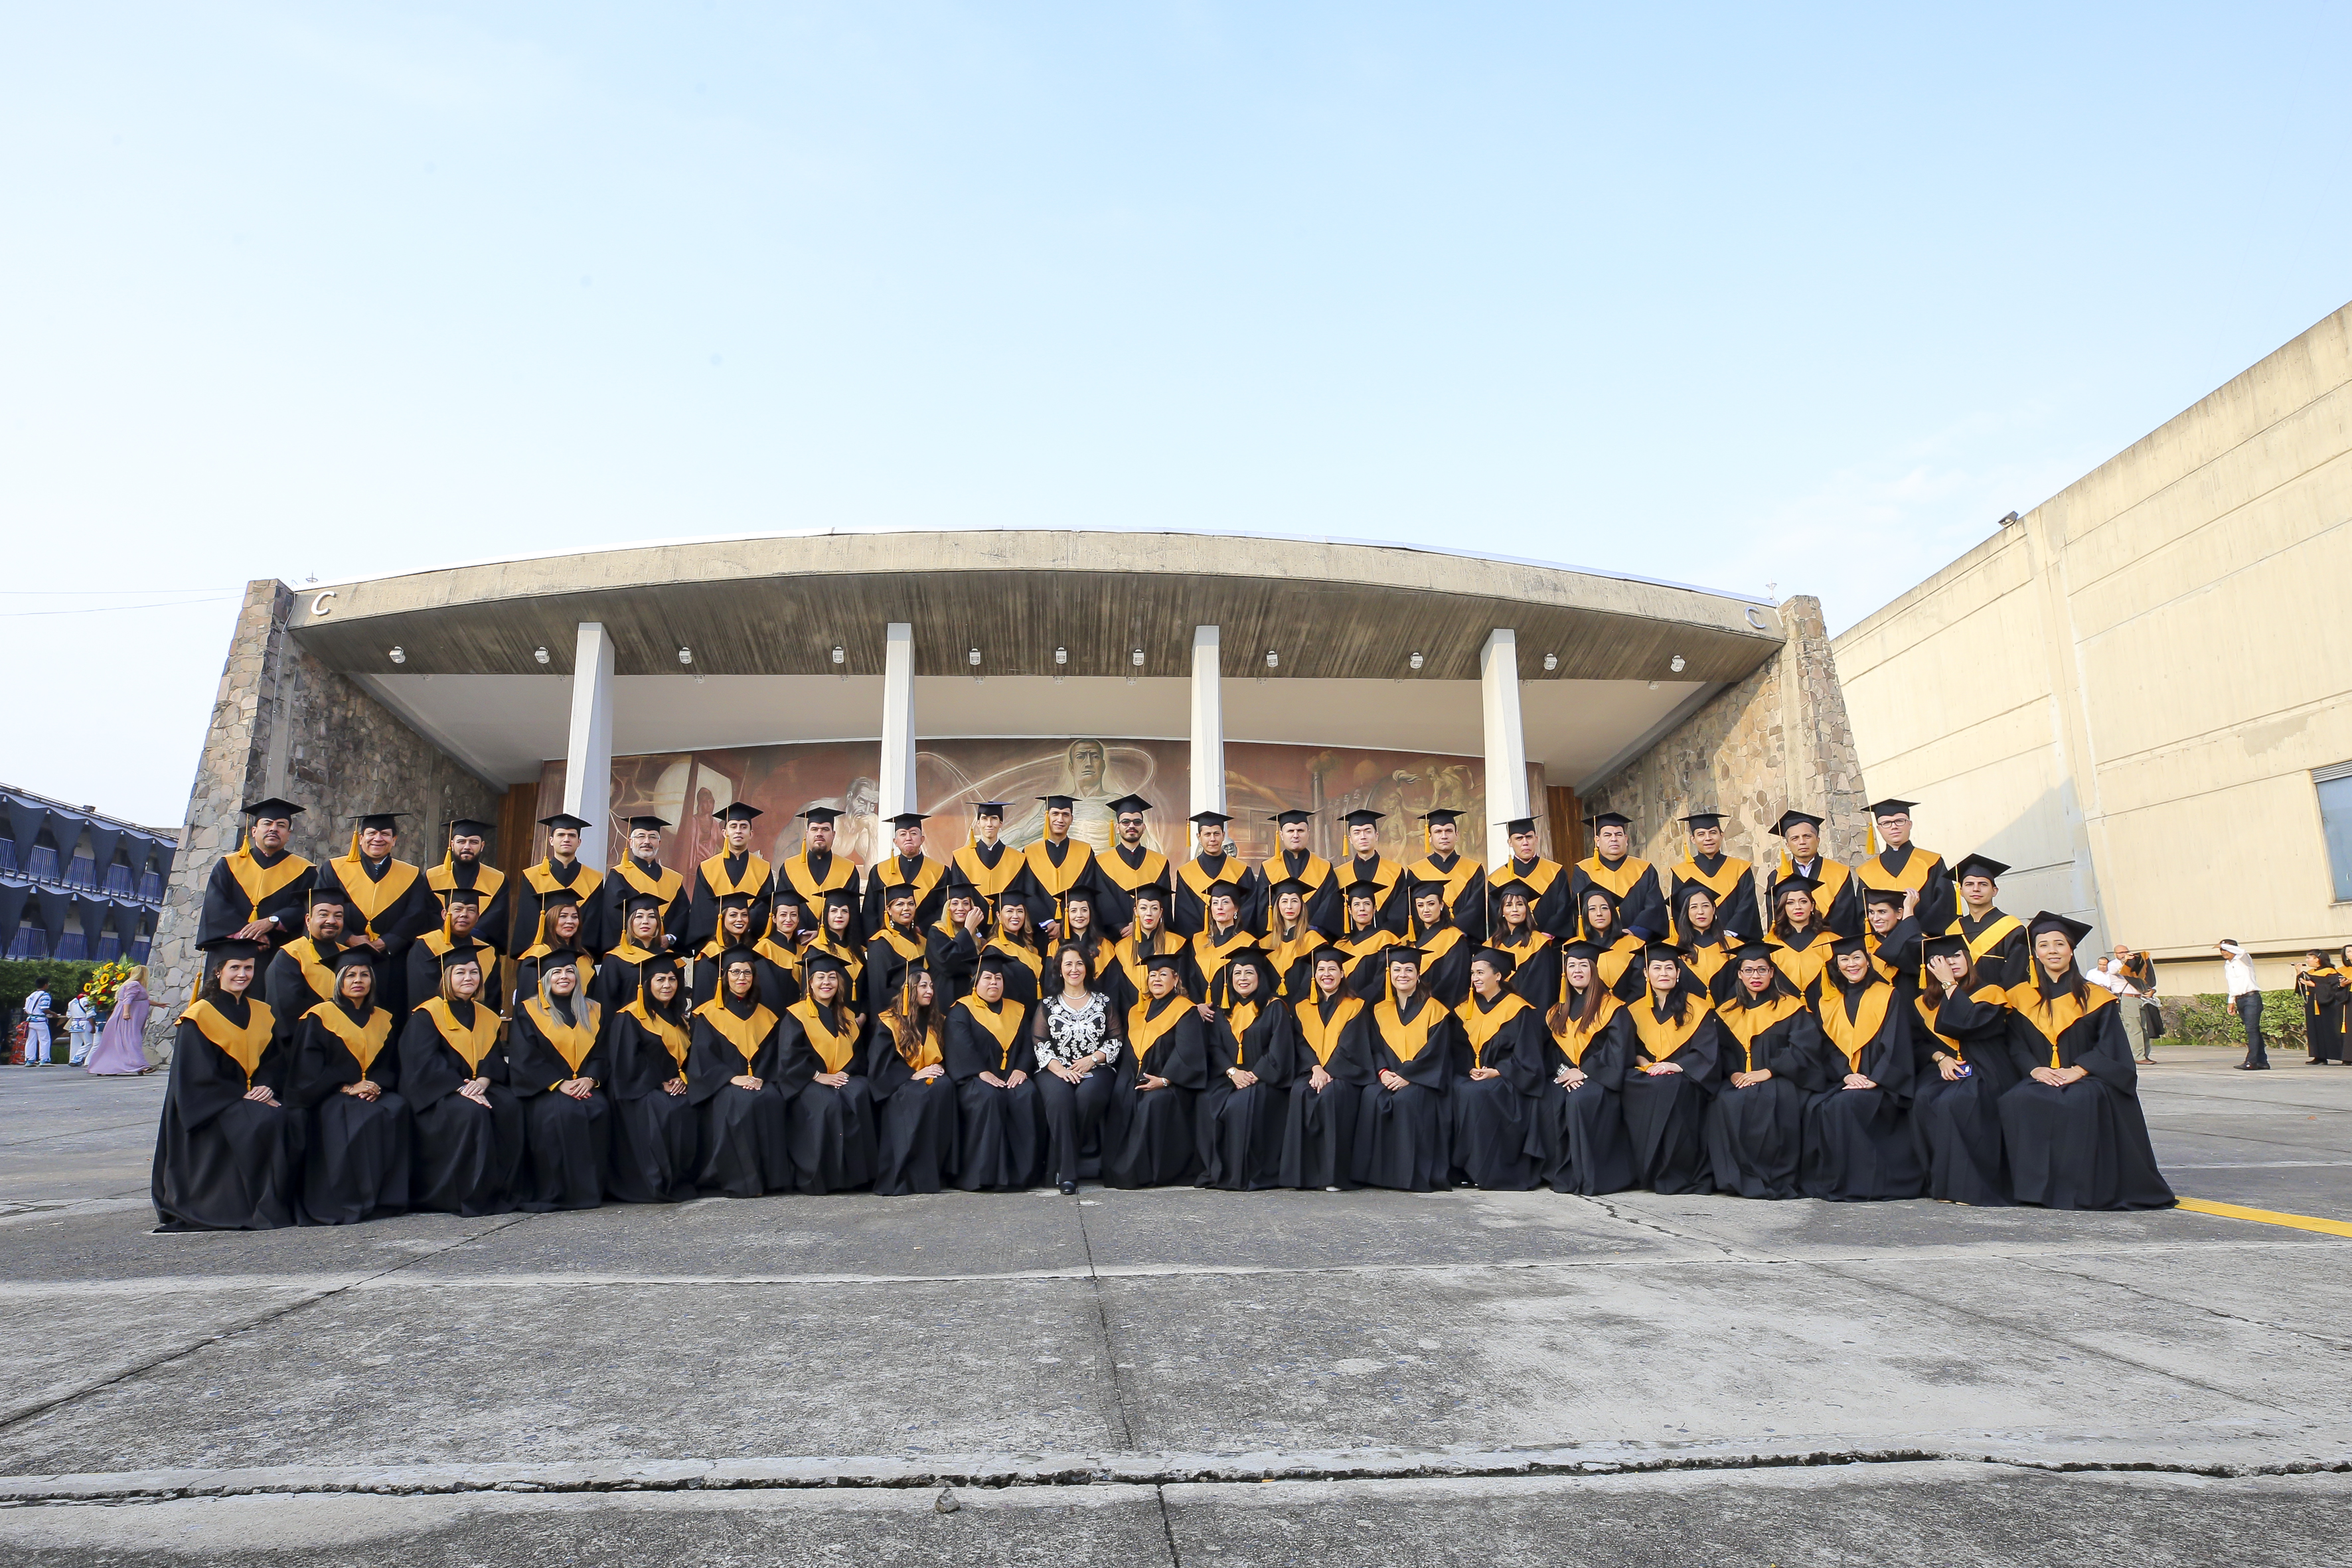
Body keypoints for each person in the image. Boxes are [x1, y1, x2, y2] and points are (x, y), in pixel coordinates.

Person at [2001, 912, 2175, 1210]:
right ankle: (2034, 1190)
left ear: (2071, 950)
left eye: (2060, 944)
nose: (2052, 950)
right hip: (2042, 1074)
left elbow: (2111, 1045)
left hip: (2090, 1076)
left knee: (2078, 1100)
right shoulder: (2019, 997)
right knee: (2018, 1098)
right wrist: (2035, 1068)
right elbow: (2014, 1043)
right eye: (2044, 945)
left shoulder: (2095, 996)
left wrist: (2079, 1069)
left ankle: (2081, 1189)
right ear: (2035, 954)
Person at [151, 937, 301, 1230]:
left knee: (291, 1116)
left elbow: (275, 1060)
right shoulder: (199, 1016)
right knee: (264, 1121)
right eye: (235, 967)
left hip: (248, 1096)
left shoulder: (262, 1012)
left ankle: (280, 1203)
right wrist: (242, 1095)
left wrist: (267, 1085)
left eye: (248, 968)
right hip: (212, 1102)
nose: (242, 974)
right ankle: (247, 1205)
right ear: (219, 970)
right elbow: (196, 1075)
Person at [289, 947, 411, 1224]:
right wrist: (346, 1087)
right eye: (351, 975)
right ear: (339, 981)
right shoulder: (319, 1016)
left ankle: (386, 1199)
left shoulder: (383, 1018)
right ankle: (348, 1200)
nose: (358, 980)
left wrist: (376, 1085)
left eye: (365, 975)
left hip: (373, 1091)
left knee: (397, 1107)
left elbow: (392, 1064)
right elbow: (308, 1069)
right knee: (357, 1115)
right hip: (330, 1093)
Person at [400, 949, 522, 1215]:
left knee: (510, 1106)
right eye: (461, 972)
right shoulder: (427, 1014)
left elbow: (494, 1056)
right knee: (473, 1113)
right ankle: (466, 1194)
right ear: (447, 977)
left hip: (478, 1085)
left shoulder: (487, 1015)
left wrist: (484, 1081)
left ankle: (502, 1190)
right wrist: (460, 1087)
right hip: (439, 1092)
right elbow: (422, 1061)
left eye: (474, 972)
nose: (469, 977)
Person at [1800, 935, 1922, 1202]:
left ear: (1868, 961)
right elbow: (1827, 1048)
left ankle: (1864, 1183)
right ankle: (1838, 1180)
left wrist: (1876, 1078)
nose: (1851, 964)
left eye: (1857, 957)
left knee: (1845, 1105)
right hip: (1846, 1079)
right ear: (1836, 965)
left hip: (1883, 1083)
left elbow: (1897, 1042)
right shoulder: (1829, 1002)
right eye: (1844, 959)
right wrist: (1846, 1075)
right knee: (1815, 1106)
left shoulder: (1887, 995)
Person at [1703, 947, 1819, 1200]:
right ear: (1740, 974)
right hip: (1741, 1079)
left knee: (1768, 1100)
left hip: (1782, 1078)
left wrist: (1769, 1071)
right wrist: (1733, 1074)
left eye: (1761, 970)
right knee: (1724, 1100)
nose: (1755, 976)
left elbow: (1804, 1048)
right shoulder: (1727, 1011)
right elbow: (1721, 1050)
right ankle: (1735, 1179)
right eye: (1748, 970)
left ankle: (1773, 1176)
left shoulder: (1791, 1007)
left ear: (1772, 972)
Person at [1911, 935, 2017, 1206]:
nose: (1951, 963)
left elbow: (1967, 1024)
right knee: (1925, 1097)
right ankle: (1944, 1185)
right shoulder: (1924, 1003)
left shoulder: (1991, 993)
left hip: (1986, 1067)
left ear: (1968, 959)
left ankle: (1973, 1187)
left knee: (1958, 1100)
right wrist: (1940, 1058)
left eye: (1957, 956)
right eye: (1942, 960)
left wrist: (1949, 984)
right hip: (1948, 1069)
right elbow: (1918, 1043)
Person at [311, 811, 443, 1019]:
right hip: (344, 955)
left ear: (394, 840)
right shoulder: (334, 869)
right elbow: (319, 907)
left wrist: (387, 942)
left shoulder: (411, 875)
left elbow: (416, 914)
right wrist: (348, 937)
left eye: (385, 834)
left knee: (390, 1017)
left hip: (392, 960)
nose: (378, 838)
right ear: (360, 838)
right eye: (372, 833)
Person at [506, 947, 609, 1210]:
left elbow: (604, 1051)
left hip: (585, 1086)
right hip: (546, 1090)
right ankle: (560, 1191)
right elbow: (525, 1056)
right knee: (563, 1112)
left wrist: (591, 1079)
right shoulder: (529, 1010)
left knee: (598, 1107)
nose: (564, 977)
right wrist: (558, 1083)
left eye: (569, 972)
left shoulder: (594, 1010)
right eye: (557, 972)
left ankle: (592, 1191)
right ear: (545, 979)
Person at [686, 947, 794, 1198]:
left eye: (747, 972)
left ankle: (771, 1180)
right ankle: (740, 1181)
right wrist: (731, 1078)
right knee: (740, 1102)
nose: (741, 978)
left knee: (771, 1097)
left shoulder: (766, 1015)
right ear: (724, 976)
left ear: (754, 977)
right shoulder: (708, 1014)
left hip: (758, 1080)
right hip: (723, 1085)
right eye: (735, 972)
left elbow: (773, 1055)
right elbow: (702, 1057)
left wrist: (760, 1078)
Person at [1531, 941, 1633, 1194]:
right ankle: (1556, 1173)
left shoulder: (1613, 1008)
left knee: (1579, 1099)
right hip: (1567, 1076)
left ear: (1594, 970)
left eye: (1584, 965)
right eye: (1572, 965)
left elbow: (1618, 1051)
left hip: (1601, 1079)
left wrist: (1584, 1072)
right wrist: (1564, 1073)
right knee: (1545, 1097)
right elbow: (1551, 1054)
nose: (1577, 970)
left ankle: (1588, 1176)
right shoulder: (1556, 1012)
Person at [1619, 941, 1721, 1194]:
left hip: (1685, 1075)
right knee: (1633, 1084)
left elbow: (1706, 1050)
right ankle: (1642, 1170)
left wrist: (1676, 1065)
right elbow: (1631, 1048)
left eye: (1669, 968)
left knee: (1669, 1086)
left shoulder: (1698, 1007)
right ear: (1646, 973)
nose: (1663, 973)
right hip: (1647, 1072)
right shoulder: (1634, 1010)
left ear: (1678, 973)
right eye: (1656, 968)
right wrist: (1644, 1063)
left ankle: (1673, 1170)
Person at [1351, 949, 1454, 1191]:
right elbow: (1373, 1048)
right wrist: (1383, 1072)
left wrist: (1408, 1076)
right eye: (1397, 969)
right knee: (1372, 1095)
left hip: (1421, 1080)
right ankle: (1376, 1176)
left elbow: (1437, 1052)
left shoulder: (1435, 1009)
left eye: (1409, 970)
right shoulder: (1379, 1010)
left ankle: (1408, 1177)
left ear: (1418, 974)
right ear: (1390, 974)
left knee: (1406, 1099)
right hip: (1389, 1076)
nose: (1403, 975)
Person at [1105, 951, 1207, 1187]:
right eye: (1152, 975)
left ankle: (1145, 1173)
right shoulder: (1137, 1011)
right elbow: (1131, 1053)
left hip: (1173, 1085)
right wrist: (1128, 1079)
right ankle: (1114, 1169)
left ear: (1176, 979)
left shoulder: (1186, 1010)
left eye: (1163, 974)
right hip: (1139, 1079)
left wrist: (1165, 1079)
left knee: (1153, 1102)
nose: (1157, 979)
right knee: (1121, 1095)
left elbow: (1189, 1053)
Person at [603, 955, 698, 1204]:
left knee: (691, 1104)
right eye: (660, 979)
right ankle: (656, 1182)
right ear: (646, 984)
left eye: (672, 979)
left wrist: (683, 1079)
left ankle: (681, 1179)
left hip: (672, 1085)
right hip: (636, 1088)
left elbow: (690, 1058)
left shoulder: (679, 1018)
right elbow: (627, 1060)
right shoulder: (630, 1016)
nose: (667, 985)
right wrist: (660, 1082)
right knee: (664, 1108)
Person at [945, 951, 1043, 1190]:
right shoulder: (961, 1010)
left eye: (998, 978)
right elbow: (961, 1047)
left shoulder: (1017, 1010)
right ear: (975, 982)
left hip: (1011, 1076)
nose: (994, 983)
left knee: (1026, 1094)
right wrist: (980, 1072)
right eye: (987, 978)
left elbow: (1028, 1046)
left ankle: (1022, 1176)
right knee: (989, 1097)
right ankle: (982, 1177)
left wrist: (1021, 1069)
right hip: (973, 1079)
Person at [781, 951, 877, 1193]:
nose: (827, 982)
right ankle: (822, 1179)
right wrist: (817, 1076)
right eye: (821, 977)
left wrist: (845, 1073)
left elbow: (858, 1054)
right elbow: (789, 1055)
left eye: (832, 977)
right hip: (807, 1080)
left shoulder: (847, 1015)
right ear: (810, 982)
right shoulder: (796, 1015)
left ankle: (856, 1177)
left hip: (841, 1077)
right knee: (827, 1103)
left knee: (859, 1092)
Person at [1196, 950, 1292, 1190]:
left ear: (1260, 977)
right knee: (1206, 1100)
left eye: (1249, 973)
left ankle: (1244, 1174)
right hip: (1232, 1077)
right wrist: (1232, 1072)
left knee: (1240, 1104)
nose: (1242, 978)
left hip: (1265, 1080)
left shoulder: (1274, 1007)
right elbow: (1214, 1046)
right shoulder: (1224, 1010)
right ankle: (1218, 1172)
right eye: (1237, 973)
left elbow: (1280, 1048)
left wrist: (1254, 1075)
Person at [1449, 948, 1543, 1190]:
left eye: (1481, 973)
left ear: (1498, 976)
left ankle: (1480, 1170)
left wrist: (1498, 1071)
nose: (1475, 978)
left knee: (1474, 1093)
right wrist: (1468, 1069)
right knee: (1453, 1087)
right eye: (1473, 973)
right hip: (1472, 1075)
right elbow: (1457, 1049)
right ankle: (1458, 1169)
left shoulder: (1518, 1010)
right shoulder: (1465, 1008)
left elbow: (1529, 1058)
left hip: (1508, 1080)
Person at [1032, 944, 1123, 1193]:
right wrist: (1060, 1070)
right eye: (1069, 964)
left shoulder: (1103, 1002)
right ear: (1060, 970)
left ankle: (1059, 1164)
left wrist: (1092, 1059)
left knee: (1087, 1097)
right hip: (1055, 1070)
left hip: (1097, 1067)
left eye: (1079, 963)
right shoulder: (1048, 1004)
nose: (1074, 969)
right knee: (1060, 1101)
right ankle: (1069, 1176)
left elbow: (1115, 1040)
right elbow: (1040, 1043)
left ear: (1087, 968)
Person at [1279, 947, 1368, 1190]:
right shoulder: (1302, 1007)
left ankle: (1333, 1177)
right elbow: (1299, 1042)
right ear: (1314, 974)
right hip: (1312, 1072)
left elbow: (1352, 1044)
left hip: (1343, 1074)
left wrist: (1329, 1072)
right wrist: (1315, 1067)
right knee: (1300, 1091)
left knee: (1332, 1095)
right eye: (1321, 970)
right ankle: (1302, 1177)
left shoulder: (1356, 1006)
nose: (1326, 974)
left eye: (1332, 969)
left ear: (1342, 973)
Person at [870, 964, 959, 1195]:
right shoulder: (889, 1023)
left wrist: (939, 1068)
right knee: (918, 1095)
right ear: (908, 990)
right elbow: (880, 1065)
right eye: (923, 986)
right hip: (900, 1086)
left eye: (931, 986)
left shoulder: (936, 1020)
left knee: (943, 1087)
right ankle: (908, 1177)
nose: (930, 991)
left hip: (933, 1081)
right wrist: (912, 1074)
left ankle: (935, 1176)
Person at [196, 797, 315, 951]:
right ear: (254, 831)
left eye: (281, 825)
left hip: (278, 951)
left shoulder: (305, 870)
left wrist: (273, 921)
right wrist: (249, 935)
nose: (273, 829)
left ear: (288, 834)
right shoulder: (228, 865)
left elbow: (306, 908)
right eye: (267, 823)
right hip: (231, 950)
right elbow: (216, 906)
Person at [512, 813, 607, 970]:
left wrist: (575, 951)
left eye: (572, 835)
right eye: (561, 835)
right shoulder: (533, 876)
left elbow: (592, 923)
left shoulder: (593, 879)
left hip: (579, 956)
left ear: (579, 842)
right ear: (551, 841)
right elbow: (528, 920)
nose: (566, 839)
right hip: (542, 956)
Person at [1853, 799, 1956, 936]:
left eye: (1900, 821)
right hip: (1884, 943)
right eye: (1886, 823)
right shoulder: (1868, 871)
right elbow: (1863, 913)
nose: (1894, 827)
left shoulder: (1931, 862)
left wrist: (1916, 933)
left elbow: (1944, 905)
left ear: (1910, 824)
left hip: (1926, 941)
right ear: (1879, 829)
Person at [599, 814, 689, 961]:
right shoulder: (619, 875)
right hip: (631, 955)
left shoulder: (674, 879)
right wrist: (642, 942)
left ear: (659, 843)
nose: (647, 842)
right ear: (631, 842)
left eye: (652, 837)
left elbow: (683, 914)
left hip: (666, 955)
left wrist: (669, 938)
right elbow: (614, 917)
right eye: (641, 836)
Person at [1569, 811, 1668, 945]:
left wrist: (1634, 932)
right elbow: (1581, 909)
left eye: (1618, 834)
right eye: (1607, 835)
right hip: (1599, 945)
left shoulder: (1644, 869)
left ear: (1626, 839)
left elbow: (1654, 908)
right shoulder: (1583, 870)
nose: (1614, 839)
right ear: (1597, 841)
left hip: (1639, 944)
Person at [1667, 811, 1761, 944]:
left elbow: (1748, 906)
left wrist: (1729, 933)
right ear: (1693, 839)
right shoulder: (1681, 872)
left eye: (1713, 833)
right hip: (1696, 944)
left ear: (1722, 835)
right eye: (1701, 834)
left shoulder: (1740, 868)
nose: (1708, 838)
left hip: (1736, 943)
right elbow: (1680, 911)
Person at [1763, 809, 1857, 941]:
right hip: (1791, 944)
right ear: (1788, 845)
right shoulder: (1776, 876)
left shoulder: (1840, 872)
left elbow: (1846, 917)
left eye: (1807, 836)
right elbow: (1775, 918)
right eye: (1795, 838)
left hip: (1832, 942)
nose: (1802, 842)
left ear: (1818, 840)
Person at [690, 802, 773, 953]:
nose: (738, 831)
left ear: (751, 834)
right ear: (724, 833)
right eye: (733, 826)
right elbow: (702, 910)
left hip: (752, 945)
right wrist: (723, 932)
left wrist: (744, 928)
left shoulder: (763, 868)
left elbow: (765, 907)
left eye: (743, 827)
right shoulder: (707, 868)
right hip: (715, 945)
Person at [428, 817, 512, 962]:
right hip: (438, 948)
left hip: (481, 949)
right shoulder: (431, 877)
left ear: (482, 845)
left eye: (473, 842)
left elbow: (496, 918)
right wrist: (447, 935)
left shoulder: (498, 879)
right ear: (452, 844)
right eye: (461, 842)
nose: (467, 847)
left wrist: (468, 938)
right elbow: (427, 913)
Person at [406, 886, 501, 1016]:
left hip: (479, 1022)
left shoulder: (487, 951)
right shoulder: (426, 945)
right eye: (458, 909)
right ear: (445, 914)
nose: (464, 914)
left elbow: (492, 998)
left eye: (471, 910)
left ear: (478, 917)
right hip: (438, 1020)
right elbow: (423, 993)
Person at [1105, 883, 1192, 1018]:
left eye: (1154, 908)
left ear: (1161, 912)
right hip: (1131, 1016)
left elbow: (1184, 984)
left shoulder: (1176, 943)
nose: (1149, 913)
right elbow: (1119, 992)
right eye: (1143, 908)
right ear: (1136, 912)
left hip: (1169, 1015)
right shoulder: (1122, 948)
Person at [777, 806, 862, 943]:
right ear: (807, 833)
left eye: (825, 829)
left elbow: (853, 913)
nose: (819, 834)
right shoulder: (789, 867)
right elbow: (783, 907)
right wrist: (801, 932)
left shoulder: (848, 869)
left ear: (834, 834)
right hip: (798, 943)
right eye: (814, 829)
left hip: (834, 944)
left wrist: (824, 933)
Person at [1091, 793, 1171, 937]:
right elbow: (1103, 901)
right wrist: (1121, 927)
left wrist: (1143, 924)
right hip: (1117, 937)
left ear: (1144, 827)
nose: (1132, 826)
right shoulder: (1101, 862)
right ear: (1117, 828)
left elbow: (1164, 902)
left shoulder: (1159, 862)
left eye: (1137, 822)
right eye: (1126, 822)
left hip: (1152, 936)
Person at [1173, 810, 1263, 937]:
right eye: (1207, 834)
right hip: (1200, 945)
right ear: (1199, 837)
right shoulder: (1186, 873)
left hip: (1236, 941)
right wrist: (1202, 941)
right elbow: (1185, 916)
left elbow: (1250, 909)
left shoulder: (1242, 870)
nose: (1212, 839)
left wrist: (1232, 937)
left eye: (1217, 834)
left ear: (1223, 835)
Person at [1024, 794, 1101, 939]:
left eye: (1065, 815)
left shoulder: (1084, 851)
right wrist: (1048, 922)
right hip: (1042, 932)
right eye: (1055, 814)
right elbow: (1029, 891)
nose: (1060, 819)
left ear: (1072, 819)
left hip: (1076, 929)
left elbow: (1087, 889)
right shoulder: (1030, 852)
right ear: (1047, 817)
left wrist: (1066, 924)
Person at [1949, 853, 2029, 986]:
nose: (1976, 889)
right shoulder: (1952, 930)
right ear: (1961, 891)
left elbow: (2016, 976)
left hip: (2000, 998)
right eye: (1969, 884)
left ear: (1994, 891)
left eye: (1983, 884)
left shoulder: (2012, 929)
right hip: (1960, 998)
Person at [1486, 817, 1571, 943]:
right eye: (1519, 838)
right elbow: (1496, 918)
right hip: (1512, 945)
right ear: (1510, 842)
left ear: (1536, 839)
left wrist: (1546, 935)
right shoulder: (1497, 878)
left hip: (1551, 943)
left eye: (1529, 837)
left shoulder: (1556, 872)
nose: (1525, 842)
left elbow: (1564, 908)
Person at [862, 811, 945, 936]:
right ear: (895, 841)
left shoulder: (940, 871)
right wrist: (875, 940)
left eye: (913, 833)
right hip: (886, 939)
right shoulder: (879, 871)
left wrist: (923, 928)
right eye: (903, 834)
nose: (908, 838)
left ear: (922, 839)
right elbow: (869, 912)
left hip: (927, 939)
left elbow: (944, 908)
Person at [1403, 809, 1483, 939]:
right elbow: (1415, 910)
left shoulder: (1474, 869)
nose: (1444, 836)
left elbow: (1476, 908)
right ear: (1429, 837)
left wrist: (1452, 933)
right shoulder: (1416, 871)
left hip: (1465, 940)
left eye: (1449, 831)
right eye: (1438, 832)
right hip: (1429, 940)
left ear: (1457, 835)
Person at [1259, 809, 1339, 937]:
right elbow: (1263, 909)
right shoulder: (1268, 868)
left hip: (1314, 940)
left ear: (1308, 833)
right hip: (1278, 940)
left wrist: (1312, 934)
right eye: (1290, 831)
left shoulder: (1324, 868)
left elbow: (1330, 908)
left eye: (1300, 831)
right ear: (1281, 835)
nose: (1296, 835)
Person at [865, 884, 934, 1029]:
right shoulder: (881, 941)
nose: (906, 908)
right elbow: (880, 988)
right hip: (896, 1020)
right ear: (889, 910)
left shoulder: (922, 941)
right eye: (900, 904)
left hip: (923, 1016)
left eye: (911, 904)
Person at [1486, 880, 1558, 1009]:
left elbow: (1541, 988)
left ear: (1527, 910)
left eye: (1520, 904)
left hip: (1526, 1011)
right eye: (1509, 905)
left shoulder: (1539, 943)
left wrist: (1515, 1006)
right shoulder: (1491, 945)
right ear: (1502, 911)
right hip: (1495, 1011)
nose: (1514, 909)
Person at [1763, 874, 1840, 996]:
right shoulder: (1770, 944)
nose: (1798, 907)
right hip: (1785, 1005)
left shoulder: (1832, 940)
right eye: (1790, 903)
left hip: (1824, 1005)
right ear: (1783, 907)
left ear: (1812, 906)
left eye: (1803, 901)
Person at [948, 801, 1028, 918]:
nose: (989, 824)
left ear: (1001, 823)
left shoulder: (1017, 859)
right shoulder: (961, 857)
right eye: (985, 819)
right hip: (971, 923)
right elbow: (957, 896)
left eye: (994, 819)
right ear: (978, 823)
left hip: (1005, 923)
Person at [1337, 808, 1408, 935]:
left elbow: (1400, 913)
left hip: (1386, 941)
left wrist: (1381, 938)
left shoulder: (1395, 872)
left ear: (1376, 836)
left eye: (1368, 831)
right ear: (1350, 839)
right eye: (1357, 833)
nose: (1363, 837)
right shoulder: (1339, 874)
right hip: (1349, 942)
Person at [1403, 881, 1473, 1007]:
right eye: (1420, 905)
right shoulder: (1411, 939)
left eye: (1431, 904)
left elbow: (1453, 981)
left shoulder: (1454, 938)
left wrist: (1427, 1005)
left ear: (1441, 904)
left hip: (1438, 1007)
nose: (1426, 910)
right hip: (1409, 1006)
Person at [1190, 881, 1262, 1002]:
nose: (1220, 907)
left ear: (1236, 908)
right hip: (1199, 1010)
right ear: (1210, 909)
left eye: (1225, 902)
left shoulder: (1247, 942)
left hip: (1232, 1009)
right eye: (1215, 903)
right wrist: (1198, 1006)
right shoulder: (1197, 941)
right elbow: (1190, 978)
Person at [687, 894, 760, 1008]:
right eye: (733, 915)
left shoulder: (751, 948)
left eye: (744, 915)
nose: (740, 919)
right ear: (722, 918)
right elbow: (704, 996)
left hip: (747, 1011)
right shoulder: (712, 952)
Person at [1672, 884, 1743, 1002]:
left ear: (1714, 909)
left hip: (1729, 1011)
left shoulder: (1735, 946)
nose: (1701, 912)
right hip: (1687, 1011)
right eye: (1694, 907)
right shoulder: (1673, 948)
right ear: (1686, 912)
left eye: (1705, 906)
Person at [807, 887, 870, 1017]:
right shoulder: (816, 949)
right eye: (834, 911)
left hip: (859, 1022)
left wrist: (863, 1016)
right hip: (830, 1020)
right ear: (826, 915)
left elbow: (867, 989)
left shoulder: (858, 951)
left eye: (844, 911)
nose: (839, 915)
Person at [2089, 943, 2157, 1064]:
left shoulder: (2134, 965)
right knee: (2134, 1028)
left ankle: (2145, 1055)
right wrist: (2124, 961)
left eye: (2126, 952)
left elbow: (2145, 978)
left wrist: (2152, 990)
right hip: (2128, 998)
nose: (2124, 954)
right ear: (2115, 954)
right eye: (2121, 953)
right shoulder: (2114, 964)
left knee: (2146, 1028)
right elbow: (2114, 970)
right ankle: (2138, 1057)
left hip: (2142, 998)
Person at [1577, 887, 1648, 1002]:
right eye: (1592, 909)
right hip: (1585, 1010)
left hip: (1628, 1009)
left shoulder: (1634, 945)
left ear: (1613, 912)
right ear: (1585, 914)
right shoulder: (1574, 947)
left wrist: (1620, 1010)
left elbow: (1639, 988)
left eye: (1604, 908)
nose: (1599, 913)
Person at [1334, 882, 1401, 997]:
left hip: (1370, 1003)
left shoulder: (1384, 939)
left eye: (1367, 904)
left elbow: (1381, 981)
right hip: (1341, 1003)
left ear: (1374, 909)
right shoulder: (1340, 945)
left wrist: (1359, 1002)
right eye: (1357, 904)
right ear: (1349, 910)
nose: (1362, 909)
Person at [926, 877, 988, 1004]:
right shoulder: (937, 931)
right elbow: (948, 965)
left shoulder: (977, 935)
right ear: (947, 908)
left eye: (966, 903)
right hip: (947, 997)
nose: (961, 908)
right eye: (955, 903)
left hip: (973, 997)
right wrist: (968, 930)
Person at [85, 964, 153, 1075]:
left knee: (123, 1041)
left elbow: (140, 999)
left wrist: (158, 1004)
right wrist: (126, 1013)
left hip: (135, 1019)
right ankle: (142, 1065)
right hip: (130, 1019)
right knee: (132, 1039)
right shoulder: (134, 985)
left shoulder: (134, 985)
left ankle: (111, 1067)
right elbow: (128, 999)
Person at [1261, 878, 1324, 998]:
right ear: (1277, 906)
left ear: (1301, 906)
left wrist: (1296, 1005)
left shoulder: (1313, 940)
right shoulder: (1265, 943)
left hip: (1302, 1004)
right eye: (1284, 901)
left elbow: (1309, 980)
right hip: (1271, 1005)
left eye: (1294, 901)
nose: (1289, 906)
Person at [2219, 938, 2265, 1069]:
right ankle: (2262, 1061)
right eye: (2221, 950)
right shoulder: (2228, 964)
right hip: (2240, 999)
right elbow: (2232, 984)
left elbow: (2242, 951)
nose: (2223, 952)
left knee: (2252, 1030)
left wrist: (2224, 945)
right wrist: (2231, 1001)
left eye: (2226, 949)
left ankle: (2252, 1061)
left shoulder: (2244, 959)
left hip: (2251, 998)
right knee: (2253, 1030)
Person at [2301, 947, 2351, 1066]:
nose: (2307, 960)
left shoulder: (2330, 971)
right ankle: (2319, 1056)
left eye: (2309, 958)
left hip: (2330, 1005)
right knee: (2316, 1030)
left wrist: (2315, 985)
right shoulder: (2342, 970)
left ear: (2318, 959)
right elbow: (2337, 986)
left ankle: (2347, 1057)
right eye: (2349, 951)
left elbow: (2331, 988)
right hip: (2316, 1004)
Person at [20, 980, 55, 1066]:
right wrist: (53, 1014)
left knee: (31, 1040)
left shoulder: (31, 995)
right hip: (40, 1021)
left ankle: (29, 1060)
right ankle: (44, 1060)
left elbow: (25, 1010)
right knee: (45, 1040)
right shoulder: (45, 995)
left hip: (30, 1020)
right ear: (45, 985)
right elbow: (44, 1008)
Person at [65, 989, 98, 1065]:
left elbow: (68, 1015)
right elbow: (90, 1014)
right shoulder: (88, 1000)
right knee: (89, 1043)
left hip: (74, 1023)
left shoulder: (72, 1001)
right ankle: (77, 1058)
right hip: (85, 1023)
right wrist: (93, 1026)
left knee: (75, 1043)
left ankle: (72, 1059)